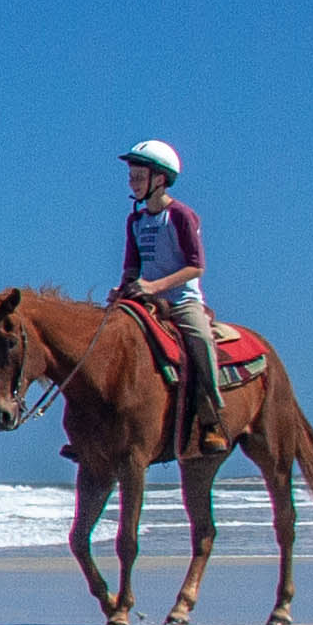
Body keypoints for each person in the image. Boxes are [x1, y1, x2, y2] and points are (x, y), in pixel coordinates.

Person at [112, 136, 225, 442]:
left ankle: (212, 419)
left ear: (159, 179)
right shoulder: (134, 220)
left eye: (139, 176)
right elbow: (131, 266)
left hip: (181, 300)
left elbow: (196, 266)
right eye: (131, 177)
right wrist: (123, 288)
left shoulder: (180, 216)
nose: (133, 182)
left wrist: (154, 286)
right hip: (144, 299)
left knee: (200, 340)